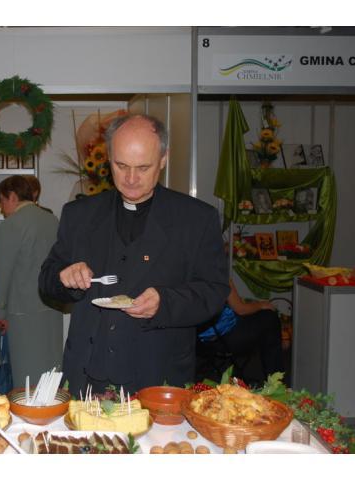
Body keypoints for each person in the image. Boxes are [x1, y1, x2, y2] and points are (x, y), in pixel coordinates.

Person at [39, 114, 229, 396]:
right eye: (121, 165)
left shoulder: (196, 219)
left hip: (157, 378)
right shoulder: (79, 215)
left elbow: (214, 292)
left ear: (163, 159)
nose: (130, 179)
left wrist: (165, 302)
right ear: (109, 158)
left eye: (143, 167)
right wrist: (65, 277)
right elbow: (47, 281)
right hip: (85, 377)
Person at [0, 175, 63, 387]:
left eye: (2, 201)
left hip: (22, 312)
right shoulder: (52, 220)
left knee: (26, 376)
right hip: (52, 307)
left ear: (12, 197)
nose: (2, 208)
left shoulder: (11, 225)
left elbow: (2, 273)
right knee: (51, 370)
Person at [198, 279, 284, 383]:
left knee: (260, 318)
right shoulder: (218, 275)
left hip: (198, 341)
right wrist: (261, 304)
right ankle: (276, 380)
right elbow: (240, 309)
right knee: (270, 318)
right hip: (224, 339)